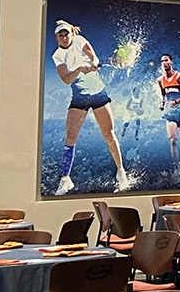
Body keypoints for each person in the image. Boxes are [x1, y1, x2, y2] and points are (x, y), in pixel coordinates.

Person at [50, 18, 132, 194]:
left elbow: (93, 56)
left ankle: (120, 172)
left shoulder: (79, 41)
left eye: (66, 34)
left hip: (98, 94)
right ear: (57, 38)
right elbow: (66, 79)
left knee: (109, 134)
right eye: (60, 36)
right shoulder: (57, 55)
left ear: (71, 34)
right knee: (71, 135)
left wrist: (94, 62)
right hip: (79, 97)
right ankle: (65, 179)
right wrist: (79, 69)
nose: (64, 38)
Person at [154, 52, 180, 172]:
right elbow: (164, 96)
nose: (164, 63)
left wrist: (177, 101)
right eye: (162, 61)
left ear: (171, 62)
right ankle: (178, 167)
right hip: (170, 114)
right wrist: (162, 103)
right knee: (172, 140)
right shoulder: (160, 80)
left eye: (166, 60)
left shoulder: (178, 77)